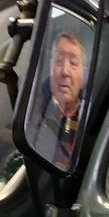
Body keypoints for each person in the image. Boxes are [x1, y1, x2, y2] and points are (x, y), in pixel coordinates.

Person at [29, 31, 86, 169]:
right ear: (50, 67)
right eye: (59, 61)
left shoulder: (93, 121)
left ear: (83, 73)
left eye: (73, 63)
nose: (65, 71)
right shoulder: (31, 113)